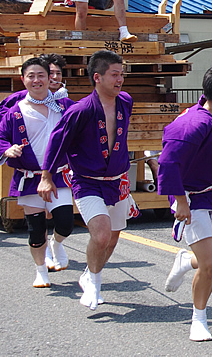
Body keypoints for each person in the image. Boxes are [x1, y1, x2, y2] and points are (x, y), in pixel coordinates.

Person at [158, 63, 212, 342]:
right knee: (209, 265)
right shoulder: (191, 124)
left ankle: (185, 261)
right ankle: (198, 318)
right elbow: (167, 163)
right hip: (191, 196)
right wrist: (180, 200)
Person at [41, 50, 133, 310]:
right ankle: (93, 280)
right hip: (87, 180)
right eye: (114, 75)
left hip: (117, 180)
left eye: (121, 74)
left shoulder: (125, 102)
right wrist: (47, 176)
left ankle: (89, 274)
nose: (120, 79)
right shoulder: (80, 110)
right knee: (101, 235)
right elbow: (58, 140)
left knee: (113, 238)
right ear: (97, 77)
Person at [0, 58, 75, 287]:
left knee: (65, 222)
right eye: (31, 76)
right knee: (36, 230)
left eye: (41, 75)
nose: (36, 80)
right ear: (23, 80)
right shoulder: (16, 111)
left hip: (59, 176)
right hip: (29, 178)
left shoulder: (65, 106)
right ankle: (41, 271)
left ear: (50, 78)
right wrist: (7, 149)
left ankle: (57, 244)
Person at [0, 54, 68, 124]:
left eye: (58, 73)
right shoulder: (18, 99)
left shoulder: (64, 102)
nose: (55, 77)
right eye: (51, 73)